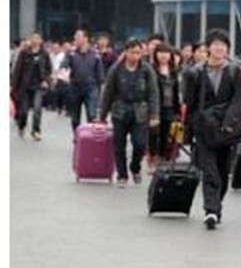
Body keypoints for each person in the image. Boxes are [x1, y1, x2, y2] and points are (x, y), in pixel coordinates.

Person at [183, 30, 241, 230]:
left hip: (226, 128)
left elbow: (238, 99)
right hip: (204, 128)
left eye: (223, 45)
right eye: (216, 44)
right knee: (209, 170)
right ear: (208, 48)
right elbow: (190, 104)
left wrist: (228, 121)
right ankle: (211, 210)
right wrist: (187, 132)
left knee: (223, 170)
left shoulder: (234, 71)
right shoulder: (194, 73)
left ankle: (217, 204)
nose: (219, 48)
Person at [97, 40, 160, 186]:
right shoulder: (116, 69)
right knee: (119, 144)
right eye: (132, 52)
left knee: (140, 144)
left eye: (138, 53)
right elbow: (108, 93)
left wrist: (154, 115)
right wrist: (102, 116)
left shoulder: (146, 69)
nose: (135, 56)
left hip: (140, 111)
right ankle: (122, 174)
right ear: (126, 52)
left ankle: (135, 167)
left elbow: (153, 93)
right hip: (120, 110)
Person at [62, 28, 105, 133]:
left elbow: (100, 73)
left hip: (91, 88)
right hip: (75, 87)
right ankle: (77, 137)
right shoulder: (71, 53)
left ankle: (90, 138)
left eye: (78, 36)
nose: (75, 38)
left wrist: (102, 86)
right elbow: (64, 66)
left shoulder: (95, 54)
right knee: (74, 117)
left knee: (92, 115)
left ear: (85, 38)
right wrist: (64, 73)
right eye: (75, 36)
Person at [11, 31, 52, 141]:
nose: (35, 40)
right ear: (31, 40)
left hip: (39, 86)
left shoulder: (44, 54)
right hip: (25, 87)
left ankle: (36, 131)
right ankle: (21, 125)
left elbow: (48, 69)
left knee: (37, 108)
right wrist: (13, 85)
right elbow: (17, 70)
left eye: (38, 38)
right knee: (24, 111)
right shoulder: (24, 53)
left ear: (41, 41)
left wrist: (46, 80)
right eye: (33, 38)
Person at [148, 44, 182, 170]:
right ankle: (153, 157)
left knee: (167, 135)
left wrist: (178, 110)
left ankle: (163, 159)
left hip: (170, 107)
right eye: (161, 52)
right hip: (155, 107)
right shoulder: (151, 70)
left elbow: (176, 92)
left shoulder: (173, 71)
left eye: (166, 53)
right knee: (154, 134)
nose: (163, 55)